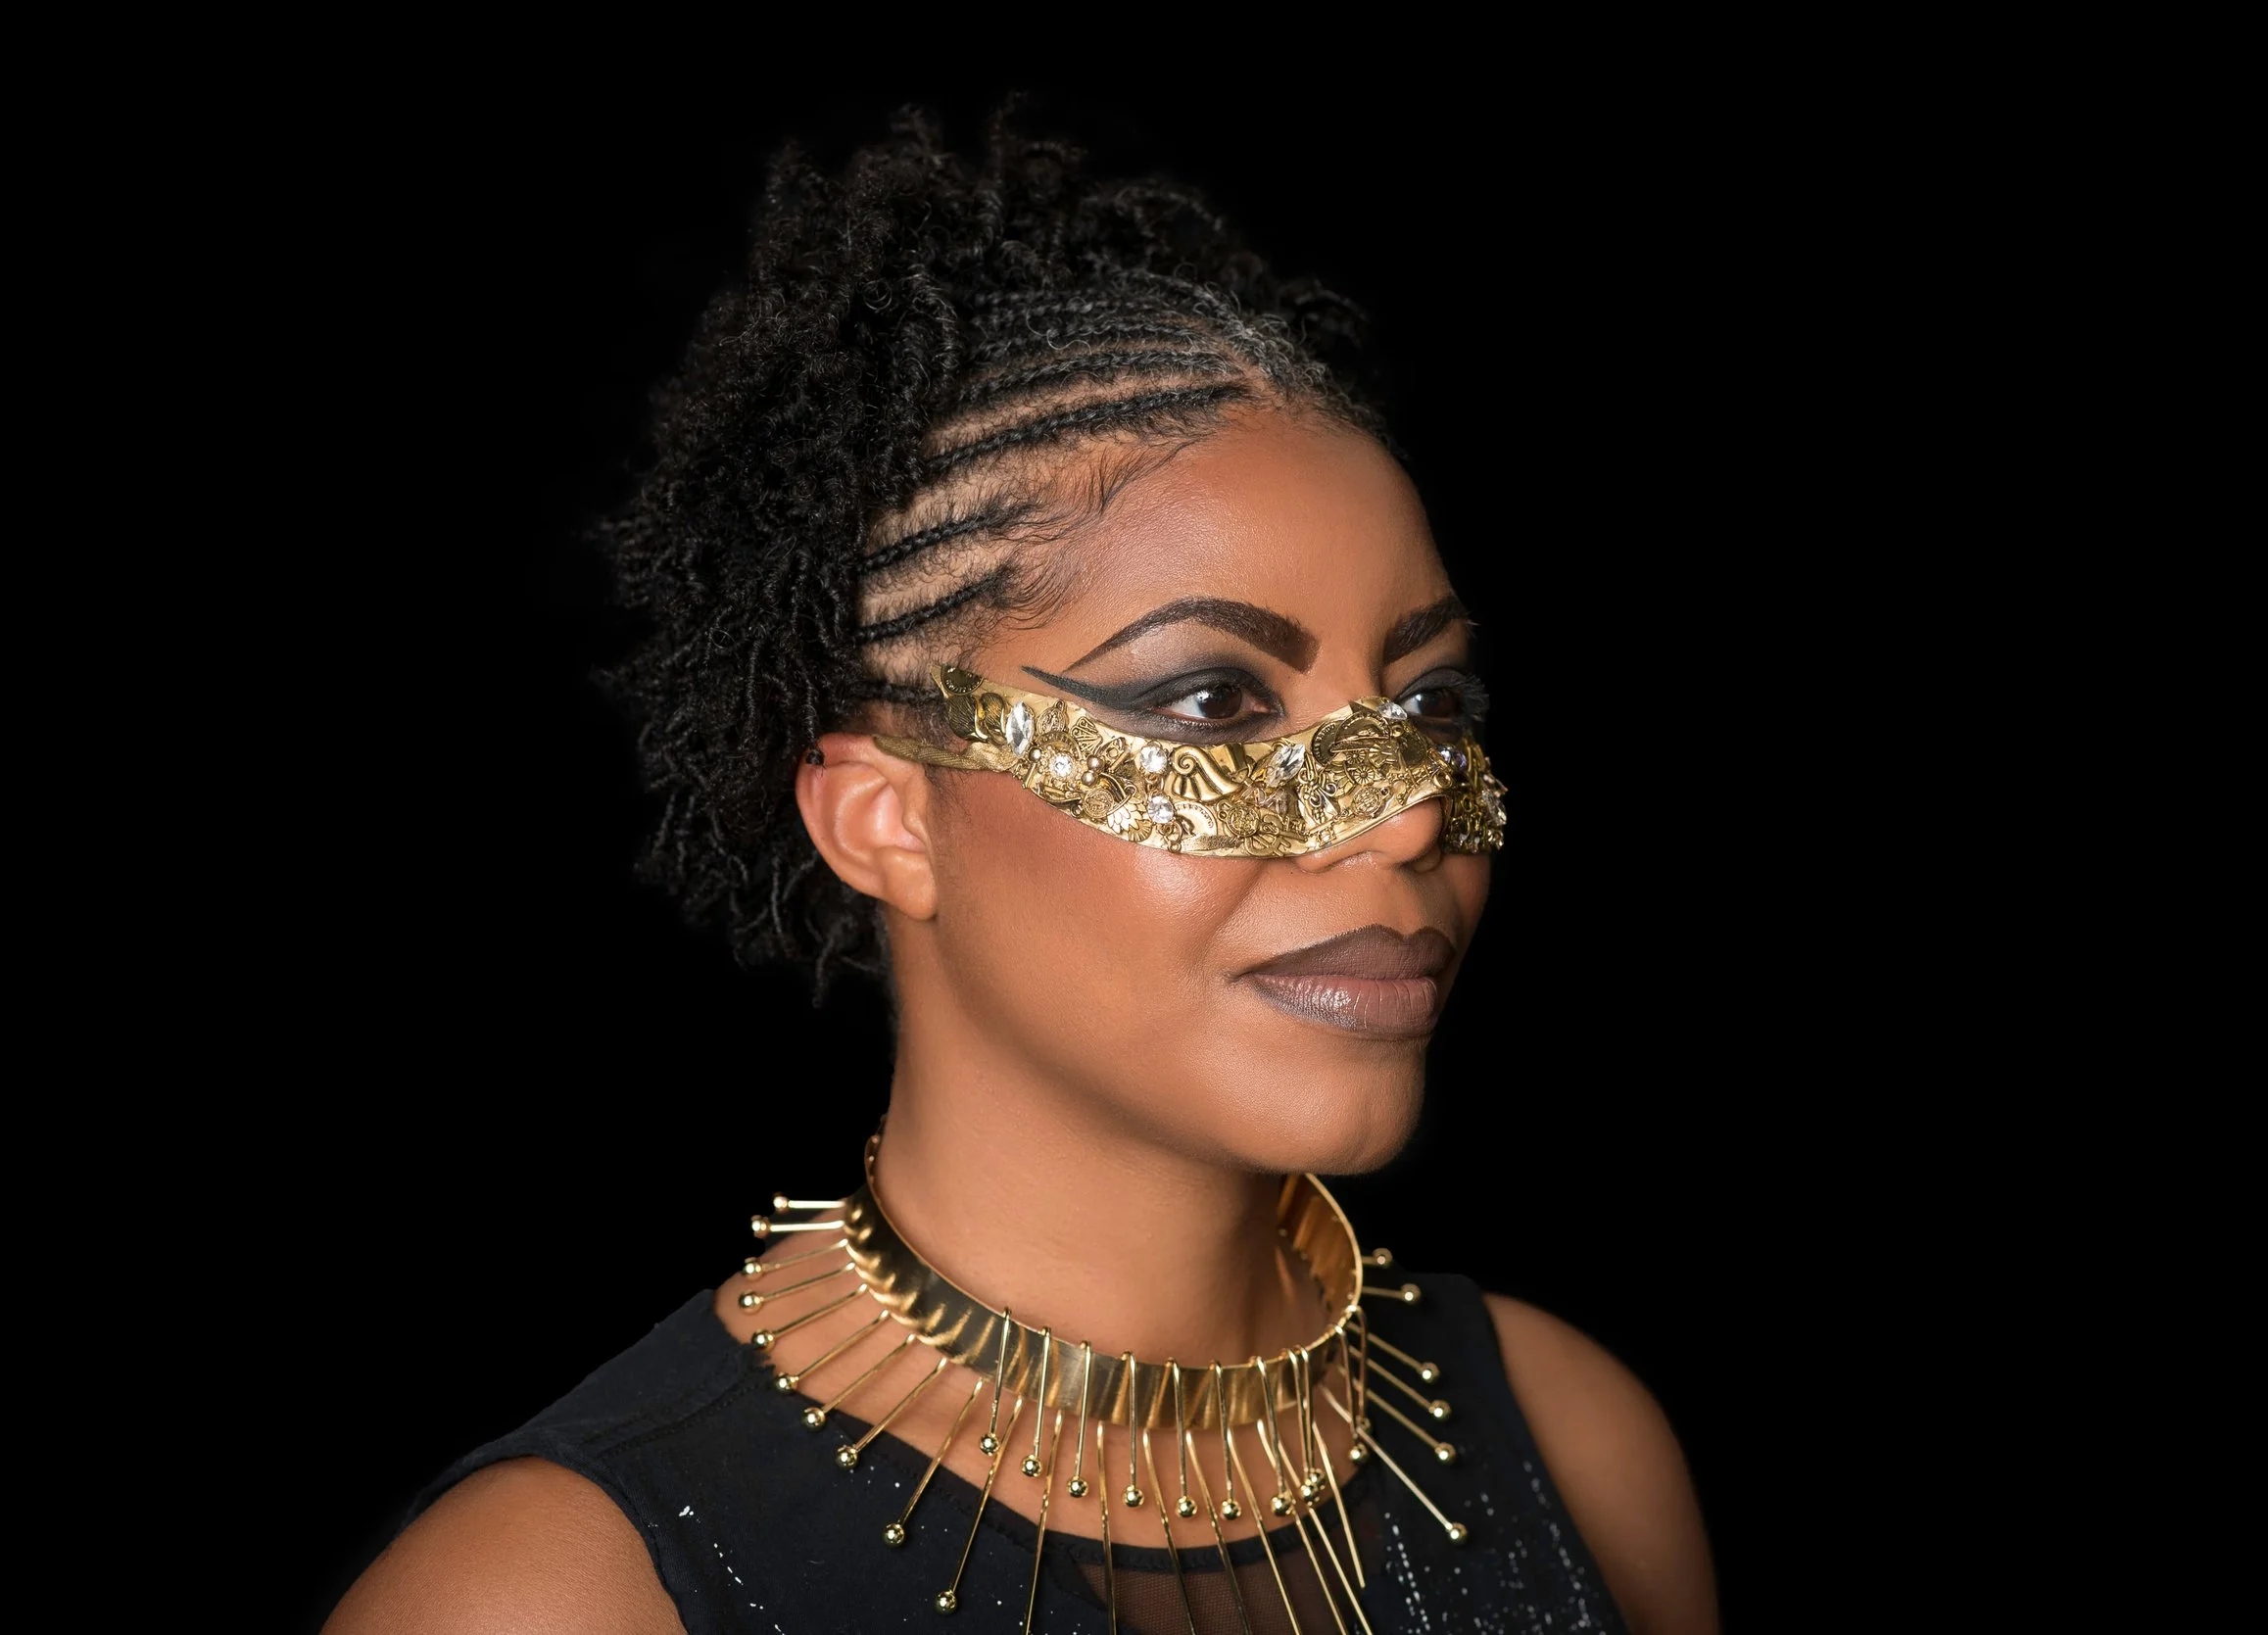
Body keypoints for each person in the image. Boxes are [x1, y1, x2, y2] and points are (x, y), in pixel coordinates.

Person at [328, 111, 1715, 1635]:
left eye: (1431, 708)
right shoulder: (559, 1596)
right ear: (886, 821)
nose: (1401, 821)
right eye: (1212, 705)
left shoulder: (1578, 1446)